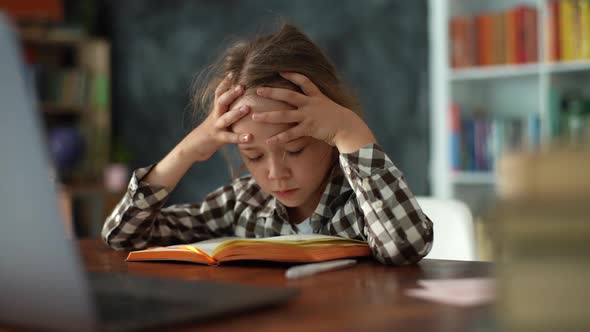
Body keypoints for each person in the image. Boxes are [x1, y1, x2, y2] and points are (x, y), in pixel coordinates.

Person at [102, 23, 433, 265]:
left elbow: (406, 246)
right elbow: (124, 236)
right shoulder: (244, 202)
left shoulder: (361, 202)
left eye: (295, 149)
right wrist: (187, 150)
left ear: (328, 132)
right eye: (253, 155)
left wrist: (351, 131)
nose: (276, 173)